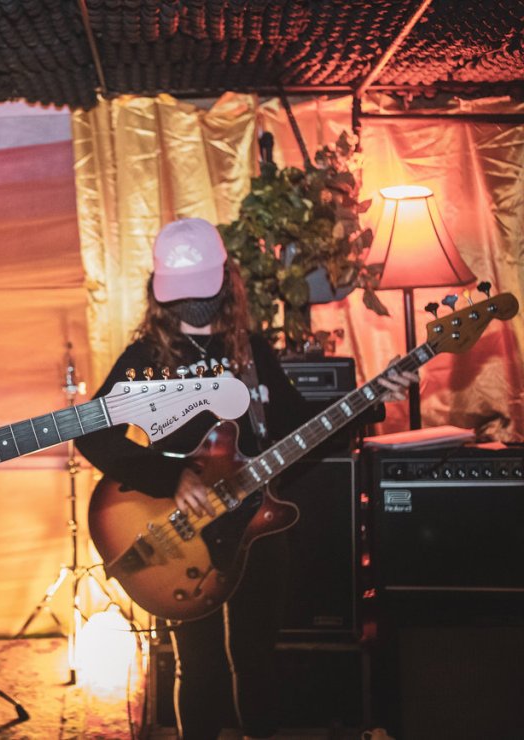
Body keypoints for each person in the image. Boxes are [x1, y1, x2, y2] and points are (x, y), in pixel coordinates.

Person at [76, 217, 414, 740]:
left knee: (257, 661)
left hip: (257, 529)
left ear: (226, 279)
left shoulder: (251, 351)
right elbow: (90, 435)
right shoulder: (146, 360)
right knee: (199, 666)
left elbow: (300, 433)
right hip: (182, 535)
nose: (193, 303)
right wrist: (171, 476)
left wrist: (371, 400)